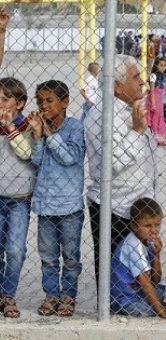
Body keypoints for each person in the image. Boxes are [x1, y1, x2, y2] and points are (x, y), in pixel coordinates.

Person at [85, 54, 159, 288]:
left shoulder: (131, 109)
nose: (141, 82)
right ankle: (109, 312)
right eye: (135, 77)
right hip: (114, 208)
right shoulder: (101, 117)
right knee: (115, 280)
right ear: (117, 85)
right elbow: (112, 164)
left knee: (139, 273)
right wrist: (136, 131)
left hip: (139, 207)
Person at [28, 80, 85, 317]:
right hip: (45, 206)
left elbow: (70, 157)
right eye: (40, 101)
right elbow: (37, 161)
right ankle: (51, 295)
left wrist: (50, 134)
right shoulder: (40, 128)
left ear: (64, 102)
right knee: (48, 257)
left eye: (49, 101)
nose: (44, 105)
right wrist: (38, 135)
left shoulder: (74, 128)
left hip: (69, 206)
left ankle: (68, 296)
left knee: (70, 257)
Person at [110, 198, 166, 319]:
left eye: (157, 224)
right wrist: (163, 313)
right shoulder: (133, 245)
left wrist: (156, 254)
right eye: (148, 225)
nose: (154, 230)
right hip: (127, 301)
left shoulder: (147, 241)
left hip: (140, 294)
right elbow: (147, 284)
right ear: (133, 225)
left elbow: (155, 280)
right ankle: (165, 309)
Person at [0, 77, 33, 318]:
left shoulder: (26, 126)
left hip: (19, 199)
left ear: (19, 103)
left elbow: (27, 154)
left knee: (14, 250)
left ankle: (8, 293)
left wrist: (11, 129)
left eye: (4, 99)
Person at [146, 58, 166, 146]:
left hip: (160, 99)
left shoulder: (163, 76)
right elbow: (152, 90)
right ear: (156, 65)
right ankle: (155, 135)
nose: (163, 67)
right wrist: (153, 102)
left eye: (164, 66)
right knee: (154, 116)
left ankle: (159, 136)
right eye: (161, 65)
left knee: (160, 116)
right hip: (154, 97)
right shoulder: (153, 75)